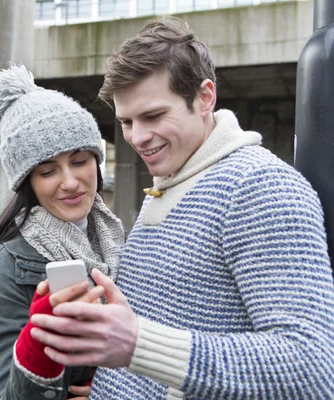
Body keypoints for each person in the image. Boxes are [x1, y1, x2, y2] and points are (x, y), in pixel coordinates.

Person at [28, 17, 334, 399]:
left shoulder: (259, 187)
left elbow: (311, 369)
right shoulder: (172, 182)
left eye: (154, 116)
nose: (137, 138)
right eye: (126, 121)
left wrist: (138, 342)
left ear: (205, 97)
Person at [0, 64, 125, 400]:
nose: (70, 182)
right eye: (48, 170)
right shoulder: (4, 267)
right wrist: (40, 343)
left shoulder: (122, 243)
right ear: (27, 182)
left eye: (79, 161)